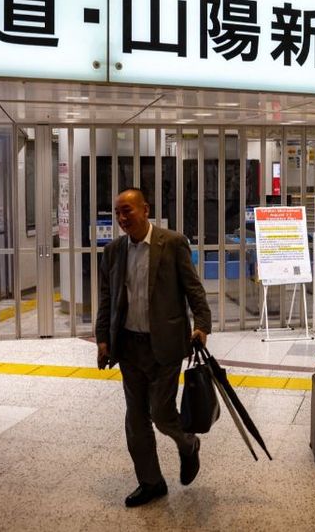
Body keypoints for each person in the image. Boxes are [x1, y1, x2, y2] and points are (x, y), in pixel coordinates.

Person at [96, 187, 212, 507]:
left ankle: (188, 445)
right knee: (135, 420)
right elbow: (107, 300)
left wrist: (201, 326)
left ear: (145, 209)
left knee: (161, 414)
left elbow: (193, 290)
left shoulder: (172, 243)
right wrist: (103, 339)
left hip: (167, 343)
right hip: (129, 347)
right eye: (117, 212)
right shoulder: (113, 252)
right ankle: (150, 482)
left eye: (127, 211)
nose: (121, 218)